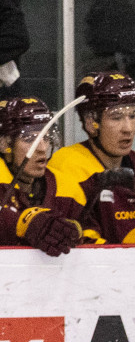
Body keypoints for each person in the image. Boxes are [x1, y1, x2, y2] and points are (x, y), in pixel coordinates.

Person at [48, 73, 135, 245]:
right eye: (116, 117)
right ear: (90, 122)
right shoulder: (67, 167)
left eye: (133, 115)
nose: (128, 128)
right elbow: (84, 247)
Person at [0, 97, 84, 256]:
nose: (42, 148)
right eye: (30, 138)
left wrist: (77, 231)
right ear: (5, 144)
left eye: (45, 137)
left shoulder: (66, 188)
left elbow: (92, 232)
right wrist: (21, 223)